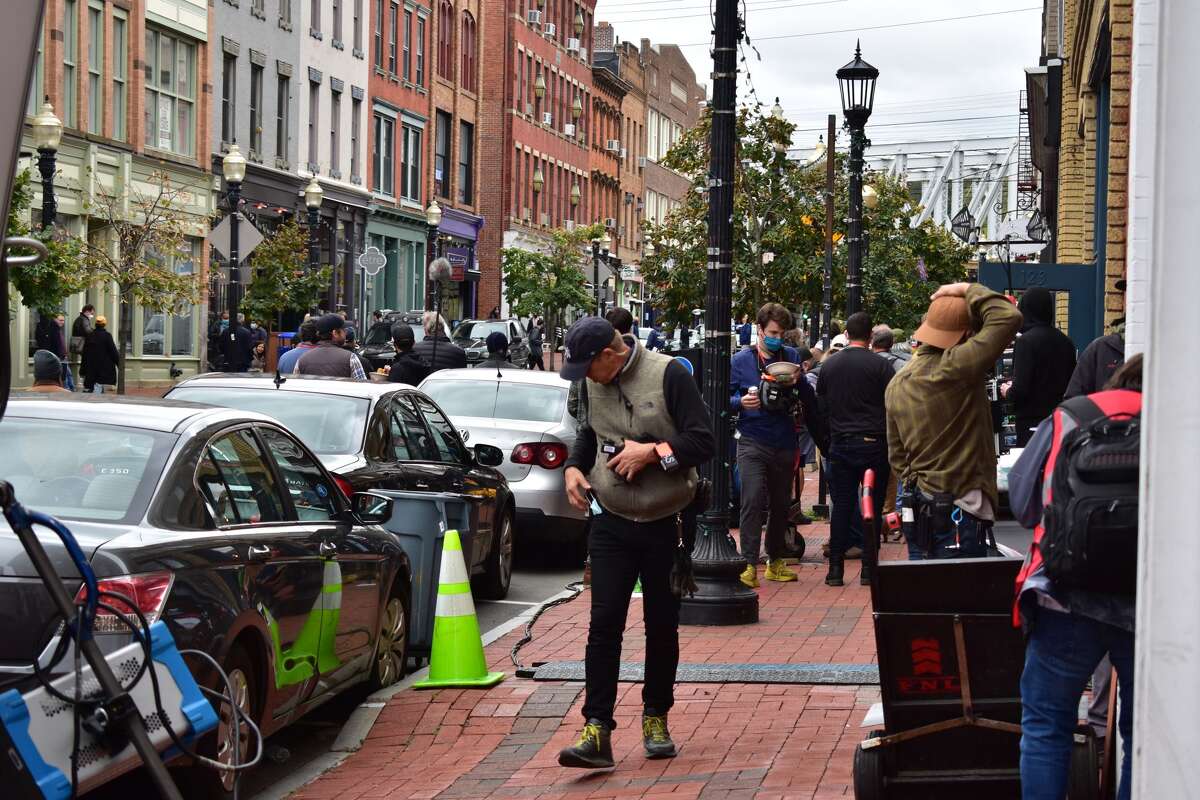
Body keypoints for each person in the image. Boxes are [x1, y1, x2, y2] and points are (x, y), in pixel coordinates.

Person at [557, 317, 715, 770]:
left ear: (611, 354)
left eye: (589, 367)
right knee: (604, 623)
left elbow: (703, 439)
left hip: (667, 520)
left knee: (661, 625)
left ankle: (655, 715)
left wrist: (653, 453)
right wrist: (573, 467)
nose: (586, 377)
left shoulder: (669, 374)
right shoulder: (592, 383)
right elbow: (588, 435)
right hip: (611, 521)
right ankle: (597, 729)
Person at [1010, 354, 1142, 800]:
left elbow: (1025, 504)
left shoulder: (1070, 417)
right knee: (1142, 732)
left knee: (1047, 724)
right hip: (1147, 599)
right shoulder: (1179, 421)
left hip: (1066, 592)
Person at [885, 282, 1023, 560]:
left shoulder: (898, 382)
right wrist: (967, 287)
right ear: (966, 334)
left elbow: (897, 457)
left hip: (921, 507)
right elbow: (1008, 317)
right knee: (962, 598)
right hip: (961, 509)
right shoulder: (957, 367)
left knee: (927, 594)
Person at [730, 303, 819, 587]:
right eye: (772, 332)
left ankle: (776, 559)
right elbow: (723, 396)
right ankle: (748, 562)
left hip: (784, 439)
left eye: (781, 333)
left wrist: (799, 379)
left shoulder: (791, 356)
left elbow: (808, 397)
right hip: (753, 439)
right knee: (752, 500)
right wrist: (740, 402)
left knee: (782, 503)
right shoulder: (741, 361)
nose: (777, 338)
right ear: (759, 329)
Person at [817, 312, 895, 586]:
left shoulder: (829, 367)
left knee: (842, 506)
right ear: (870, 336)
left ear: (847, 335)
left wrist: (828, 440)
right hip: (874, 444)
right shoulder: (881, 367)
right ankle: (868, 569)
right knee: (871, 506)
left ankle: (835, 569)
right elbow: (892, 405)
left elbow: (821, 407)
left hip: (841, 443)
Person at [1002, 287, 1078, 447]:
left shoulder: (1026, 342)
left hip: (1031, 423)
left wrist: (1007, 391)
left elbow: (1021, 388)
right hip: (1059, 420)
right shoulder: (1066, 342)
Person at [293, 313, 367, 379]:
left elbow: (296, 389)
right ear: (335, 333)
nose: (345, 333)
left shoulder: (302, 359)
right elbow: (362, 389)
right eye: (344, 330)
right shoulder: (351, 358)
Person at [80, 315, 119, 394]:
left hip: (90, 368)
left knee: (91, 387)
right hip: (103, 368)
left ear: (95, 324)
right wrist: (119, 363)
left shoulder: (90, 336)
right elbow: (113, 351)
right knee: (98, 388)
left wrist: (82, 369)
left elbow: (84, 353)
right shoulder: (107, 336)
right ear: (104, 324)